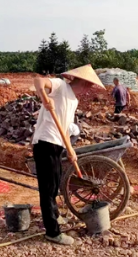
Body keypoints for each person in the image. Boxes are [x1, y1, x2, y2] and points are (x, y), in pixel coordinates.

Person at [33, 65, 105, 246]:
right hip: (45, 142)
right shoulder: (60, 86)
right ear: (83, 82)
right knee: (47, 190)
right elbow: (38, 80)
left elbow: (64, 127)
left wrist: (70, 150)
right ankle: (52, 232)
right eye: (89, 85)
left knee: (55, 185)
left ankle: (55, 216)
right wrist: (43, 96)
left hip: (57, 144)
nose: (89, 89)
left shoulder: (74, 101)